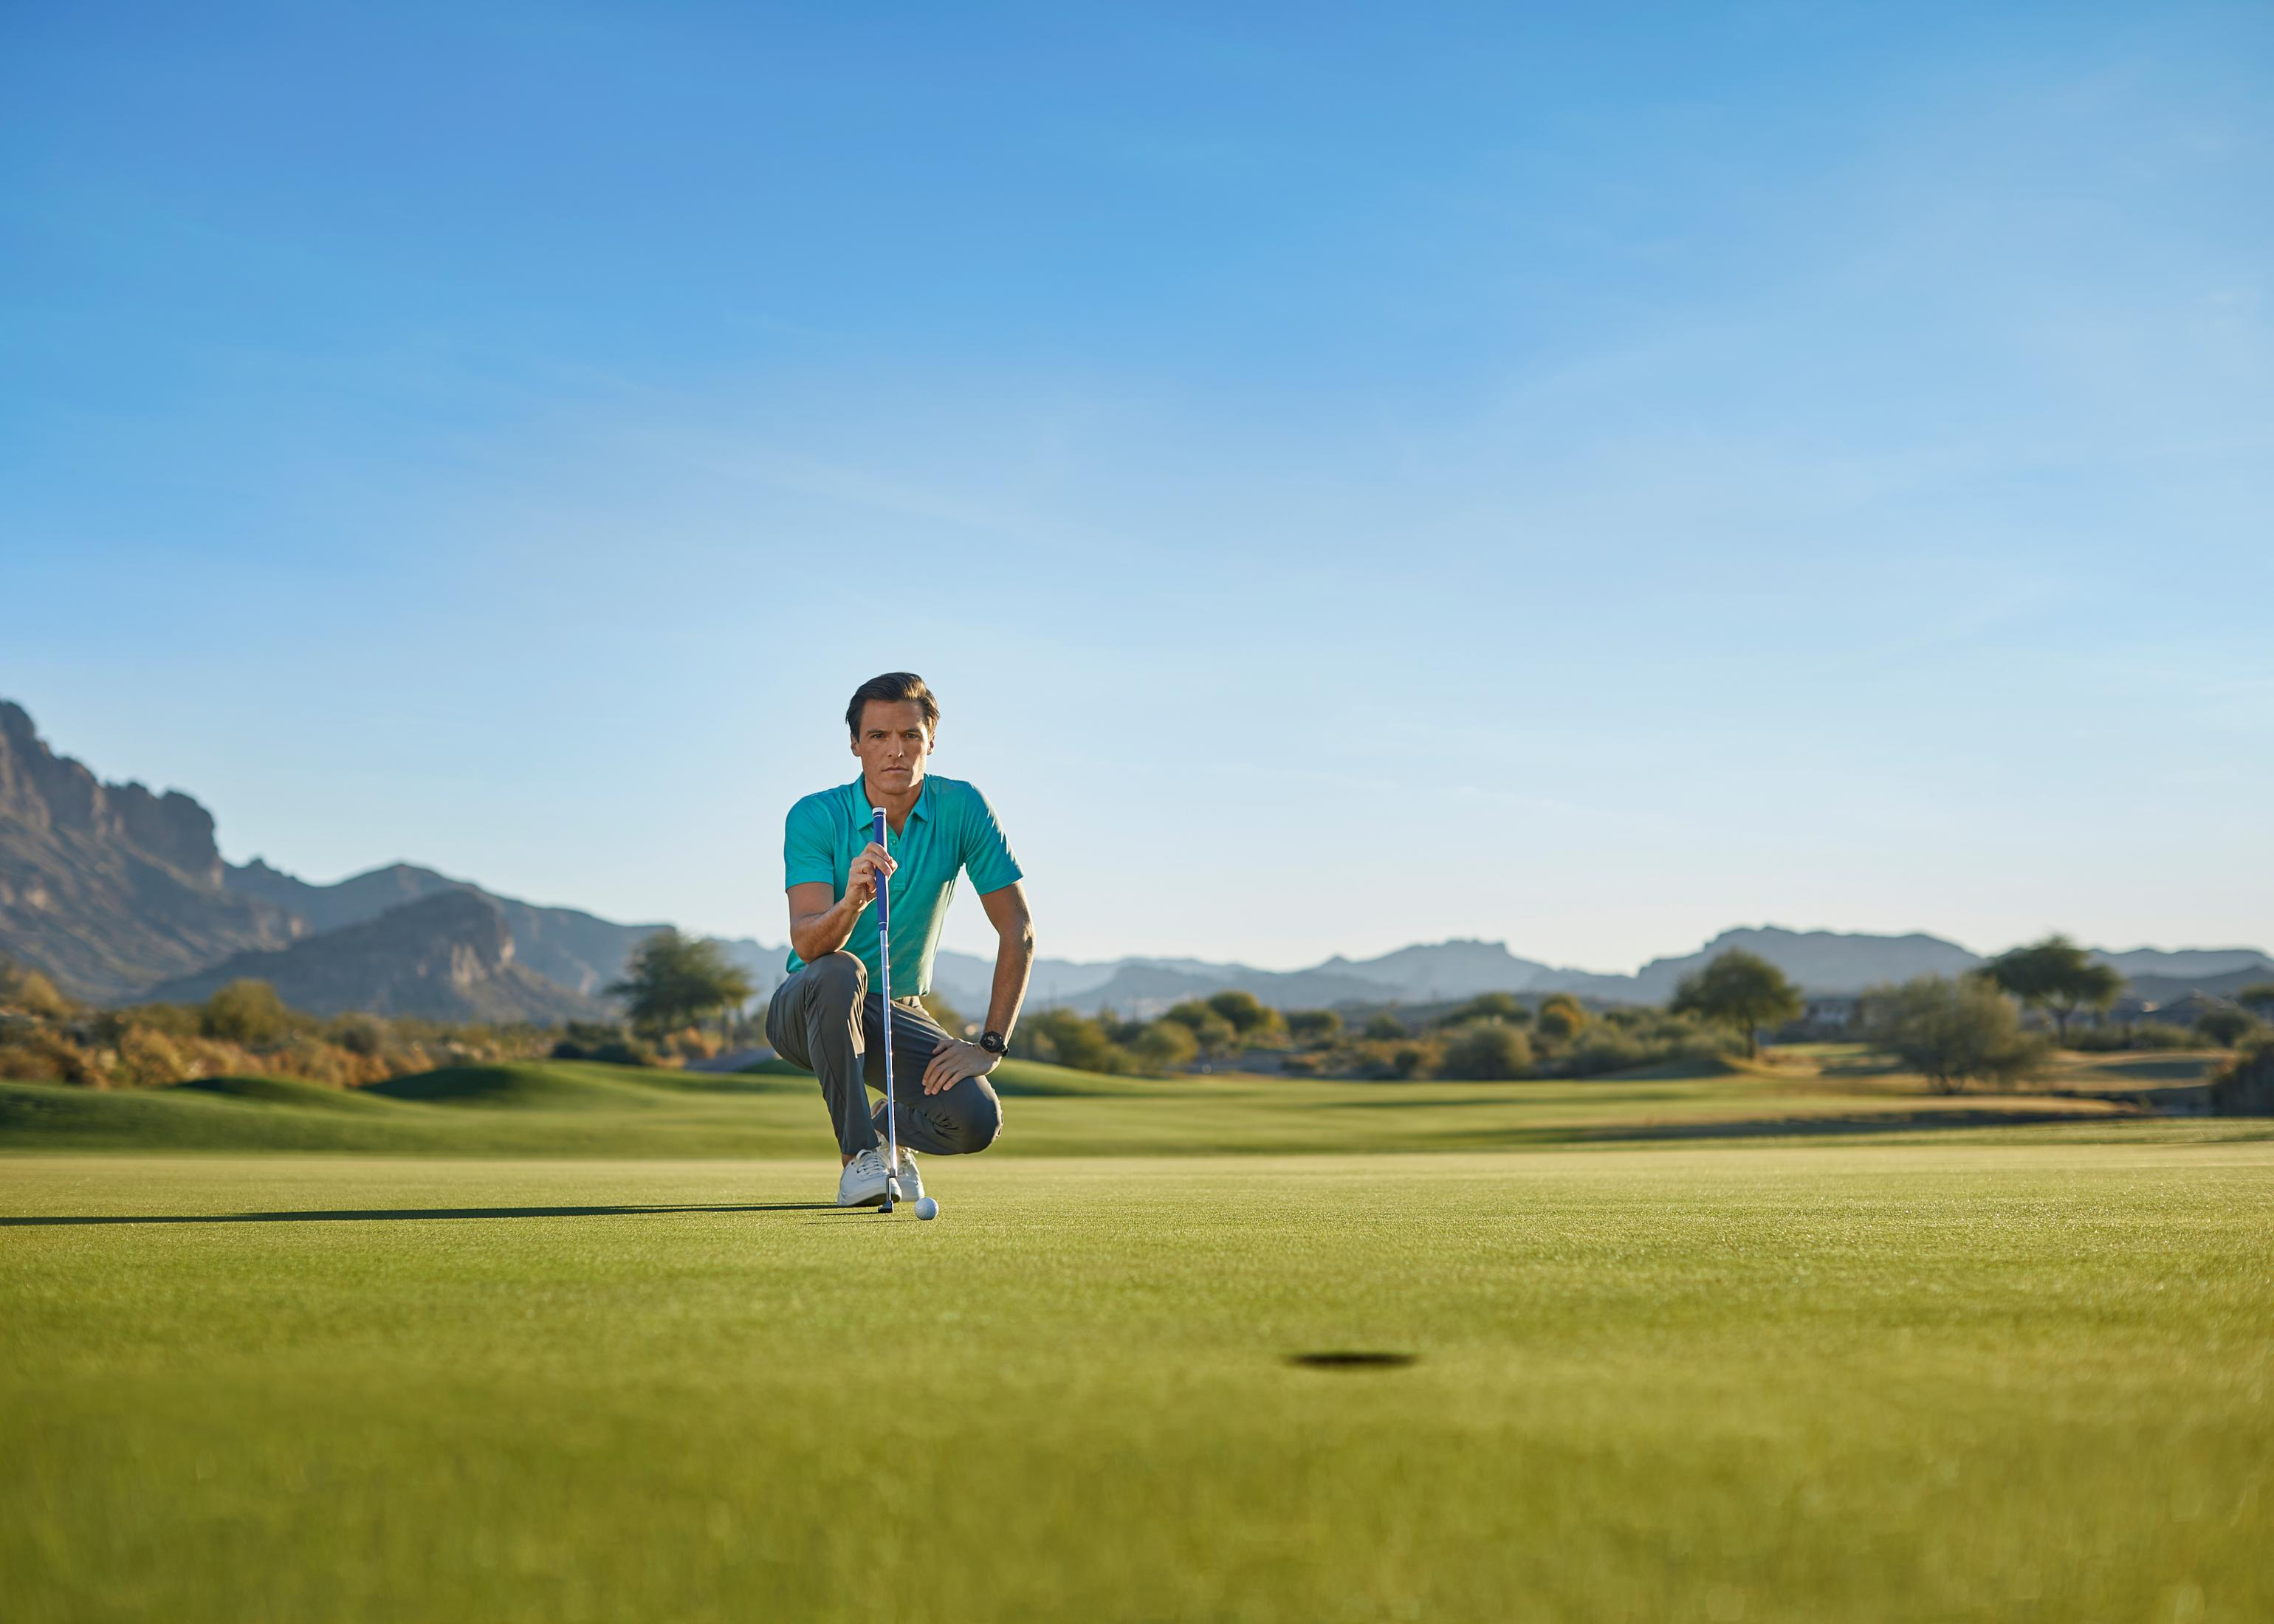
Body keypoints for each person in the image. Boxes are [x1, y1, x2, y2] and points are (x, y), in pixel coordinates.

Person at [763, 672, 1035, 1206]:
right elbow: (810, 944)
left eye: (911, 735)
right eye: (879, 737)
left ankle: (887, 1131)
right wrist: (852, 903)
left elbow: (1017, 929)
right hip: (809, 1005)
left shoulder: (962, 808)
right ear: (855, 745)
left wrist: (991, 1044)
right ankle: (860, 1159)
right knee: (843, 969)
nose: (896, 751)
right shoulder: (816, 815)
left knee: (975, 1121)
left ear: (931, 740)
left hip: (894, 1011)